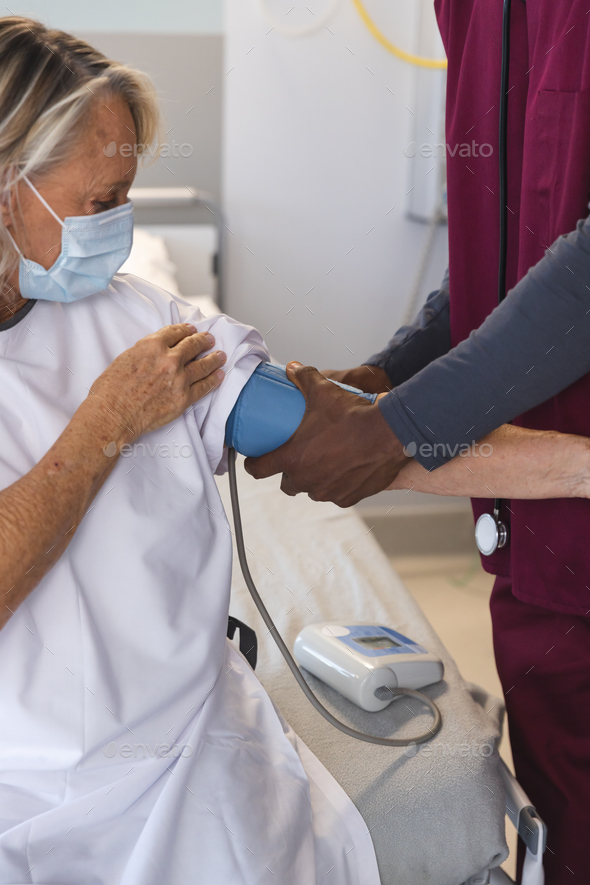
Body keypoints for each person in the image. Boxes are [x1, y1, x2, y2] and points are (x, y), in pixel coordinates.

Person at [0, 18, 379, 884]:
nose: (121, 228)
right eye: (101, 203)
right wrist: (103, 427)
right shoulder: (129, 380)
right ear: (6, 182)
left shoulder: (144, 322)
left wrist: (567, 464)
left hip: (176, 752)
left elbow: (349, 440)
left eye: (130, 195)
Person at [245, 2, 590, 881]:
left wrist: (402, 425)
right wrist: (385, 374)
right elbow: (506, 242)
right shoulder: (472, 13)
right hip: (540, 555)